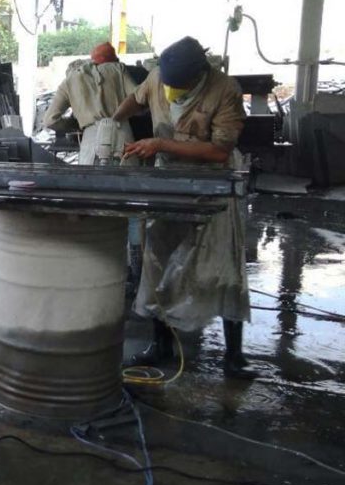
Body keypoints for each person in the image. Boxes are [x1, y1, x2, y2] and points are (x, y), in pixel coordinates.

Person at [113, 36, 256, 379]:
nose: (171, 90)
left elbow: (221, 151)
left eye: (179, 86)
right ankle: (160, 345)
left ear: (199, 75)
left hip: (213, 184)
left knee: (221, 265)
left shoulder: (225, 90)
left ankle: (233, 356)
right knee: (157, 259)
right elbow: (133, 102)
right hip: (168, 182)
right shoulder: (157, 78)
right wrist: (114, 121)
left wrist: (160, 142)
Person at [42, 42, 139, 165]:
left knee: (91, 181)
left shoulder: (68, 82)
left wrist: (75, 124)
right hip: (123, 139)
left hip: (90, 141)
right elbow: (139, 97)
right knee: (131, 182)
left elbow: (49, 120)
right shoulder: (118, 69)